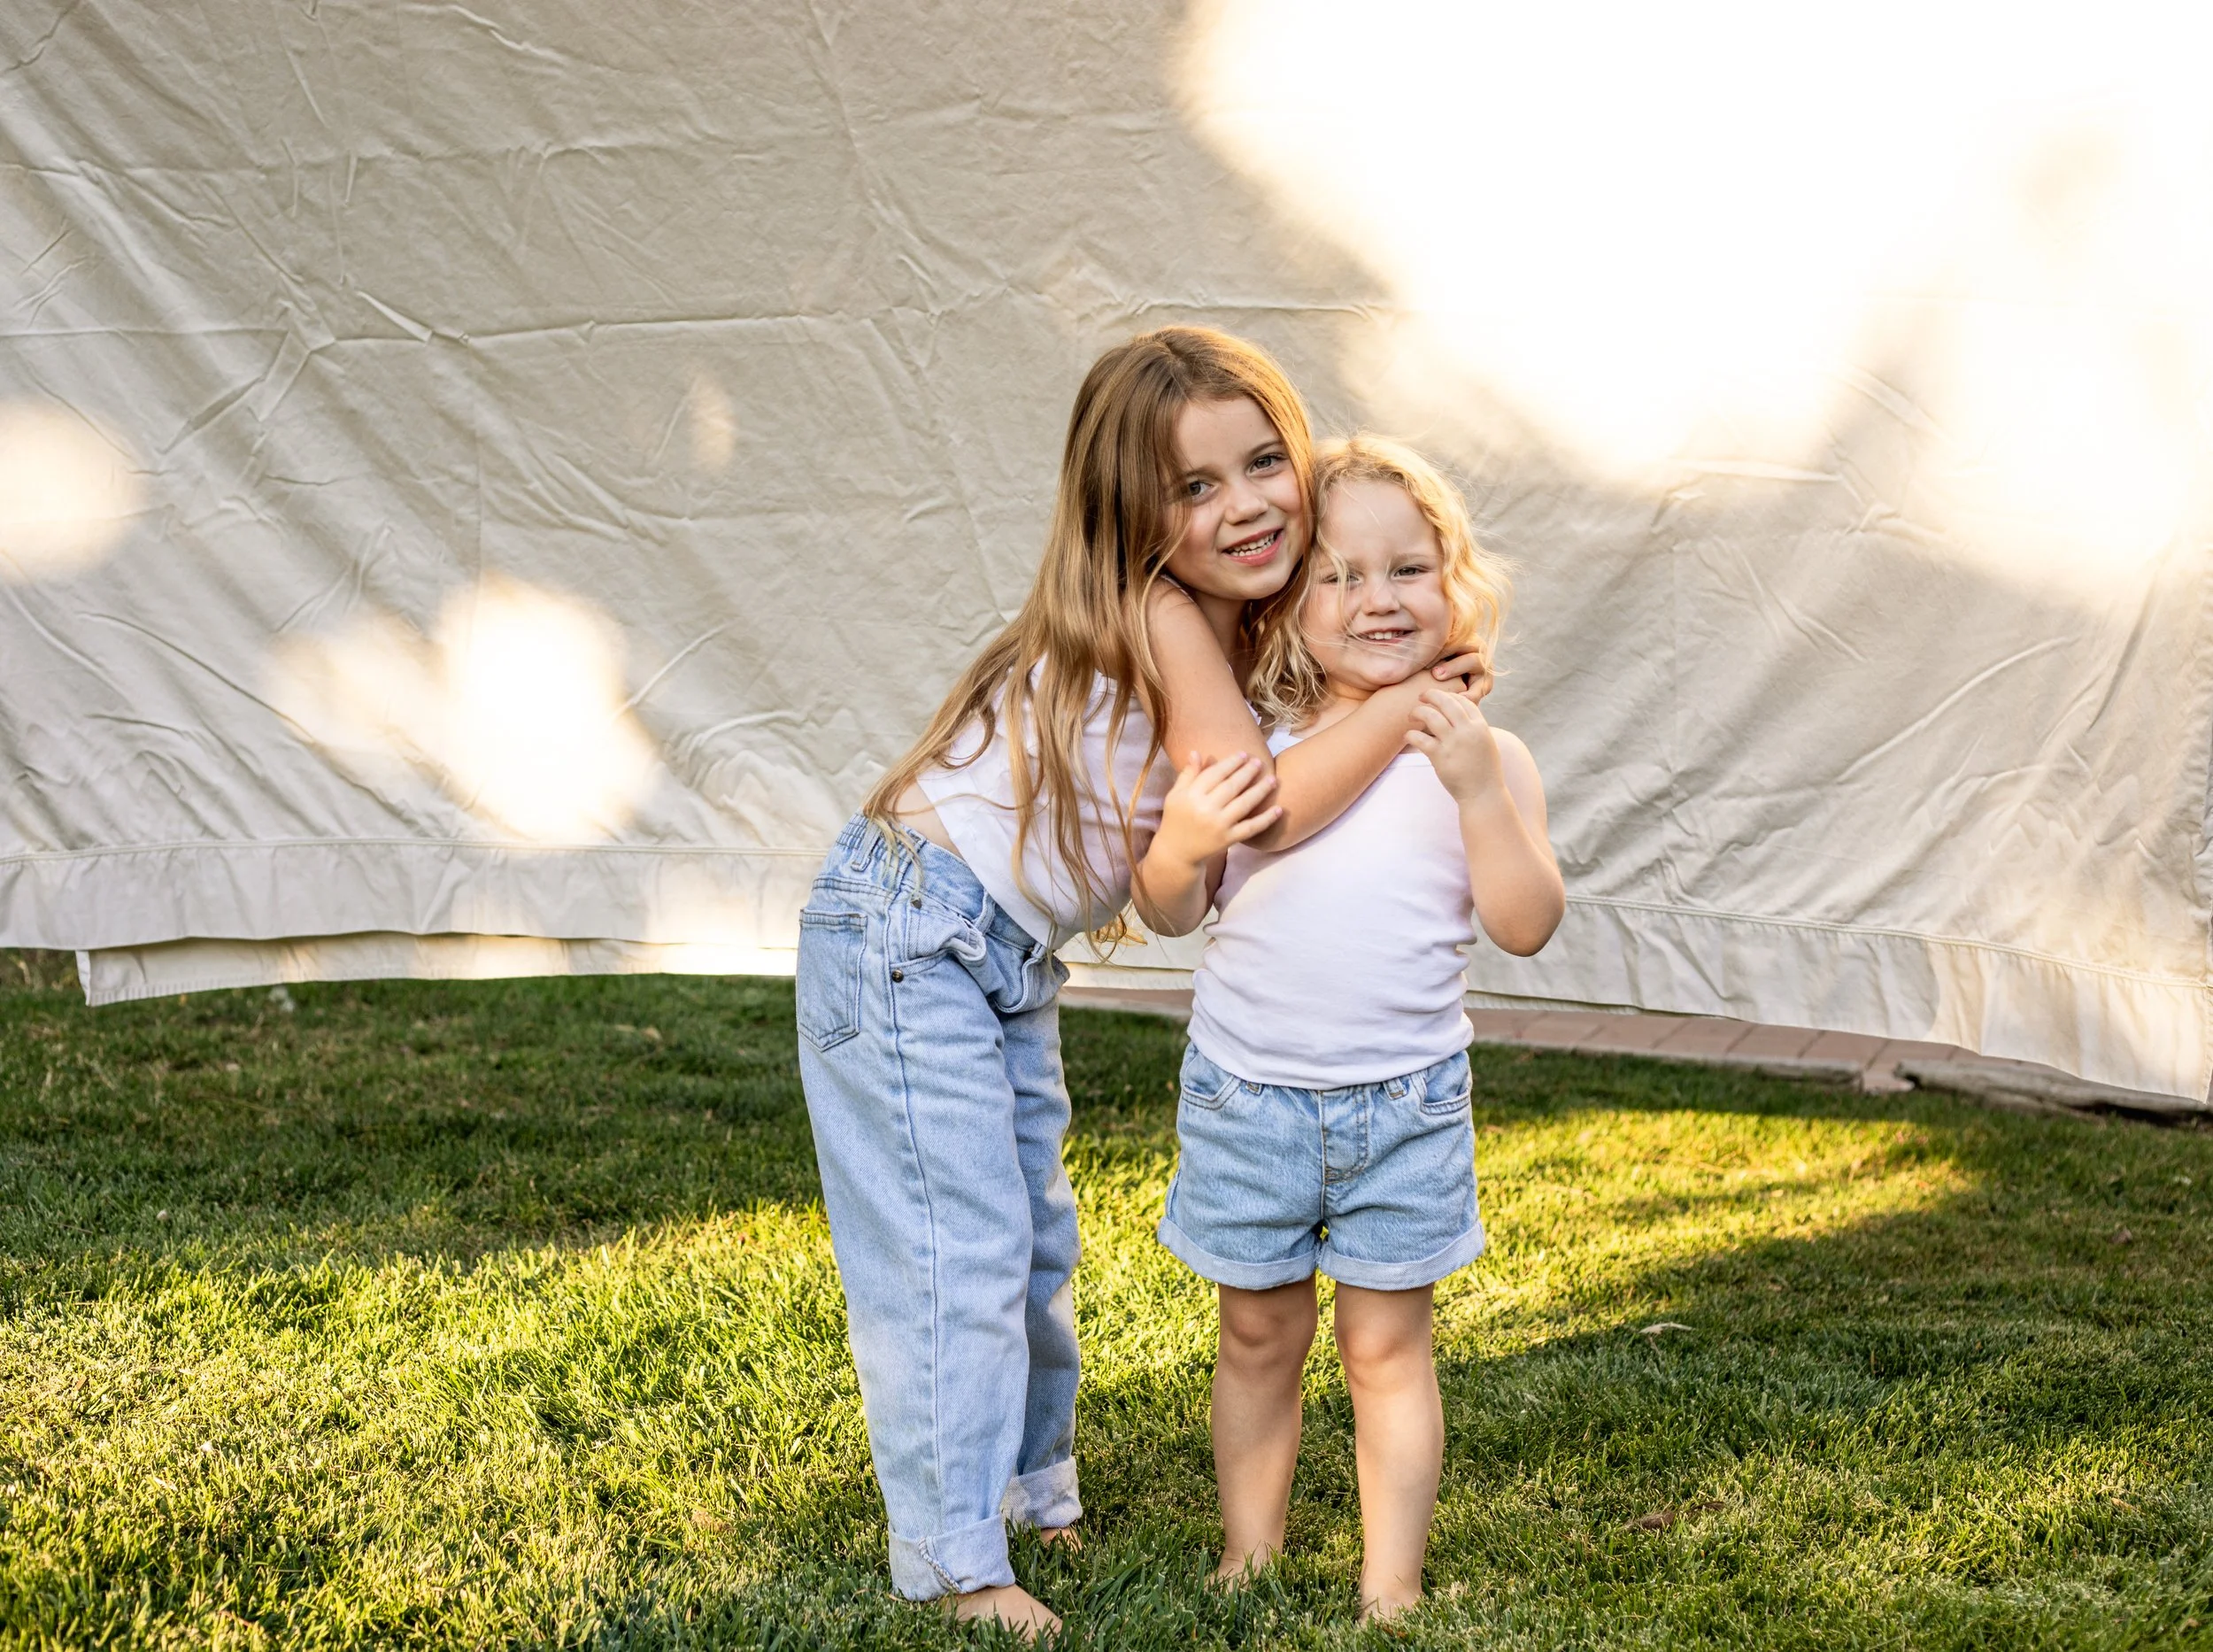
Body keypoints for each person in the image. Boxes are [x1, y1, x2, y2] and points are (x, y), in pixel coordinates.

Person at [794, 334, 1484, 1637]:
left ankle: (1034, 1490)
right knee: (958, 1244)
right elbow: (1265, 812)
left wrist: (1398, 669)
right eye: (1196, 486)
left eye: (1265, 461)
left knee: (1034, 1230)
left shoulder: (1238, 622)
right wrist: (1405, 705)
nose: (1246, 504)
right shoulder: (1162, 609)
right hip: (907, 929)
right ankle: (954, 1562)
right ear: (1132, 515)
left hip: (995, 947)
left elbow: (1203, 856)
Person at [1137, 435, 1566, 1622]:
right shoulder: (1254, 751)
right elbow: (1171, 904)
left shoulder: (1487, 754)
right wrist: (1177, 845)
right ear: (1283, 606)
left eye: (1407, 570)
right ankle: (1249, 1553)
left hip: (1405, 1104)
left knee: (1388, 1352)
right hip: (1249, 1095)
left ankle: (1393, 1585)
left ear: (1455, 584)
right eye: (1336, 574)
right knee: (1258, 1336)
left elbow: (1525, 922)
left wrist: (1479, 785)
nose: (1376, 599)